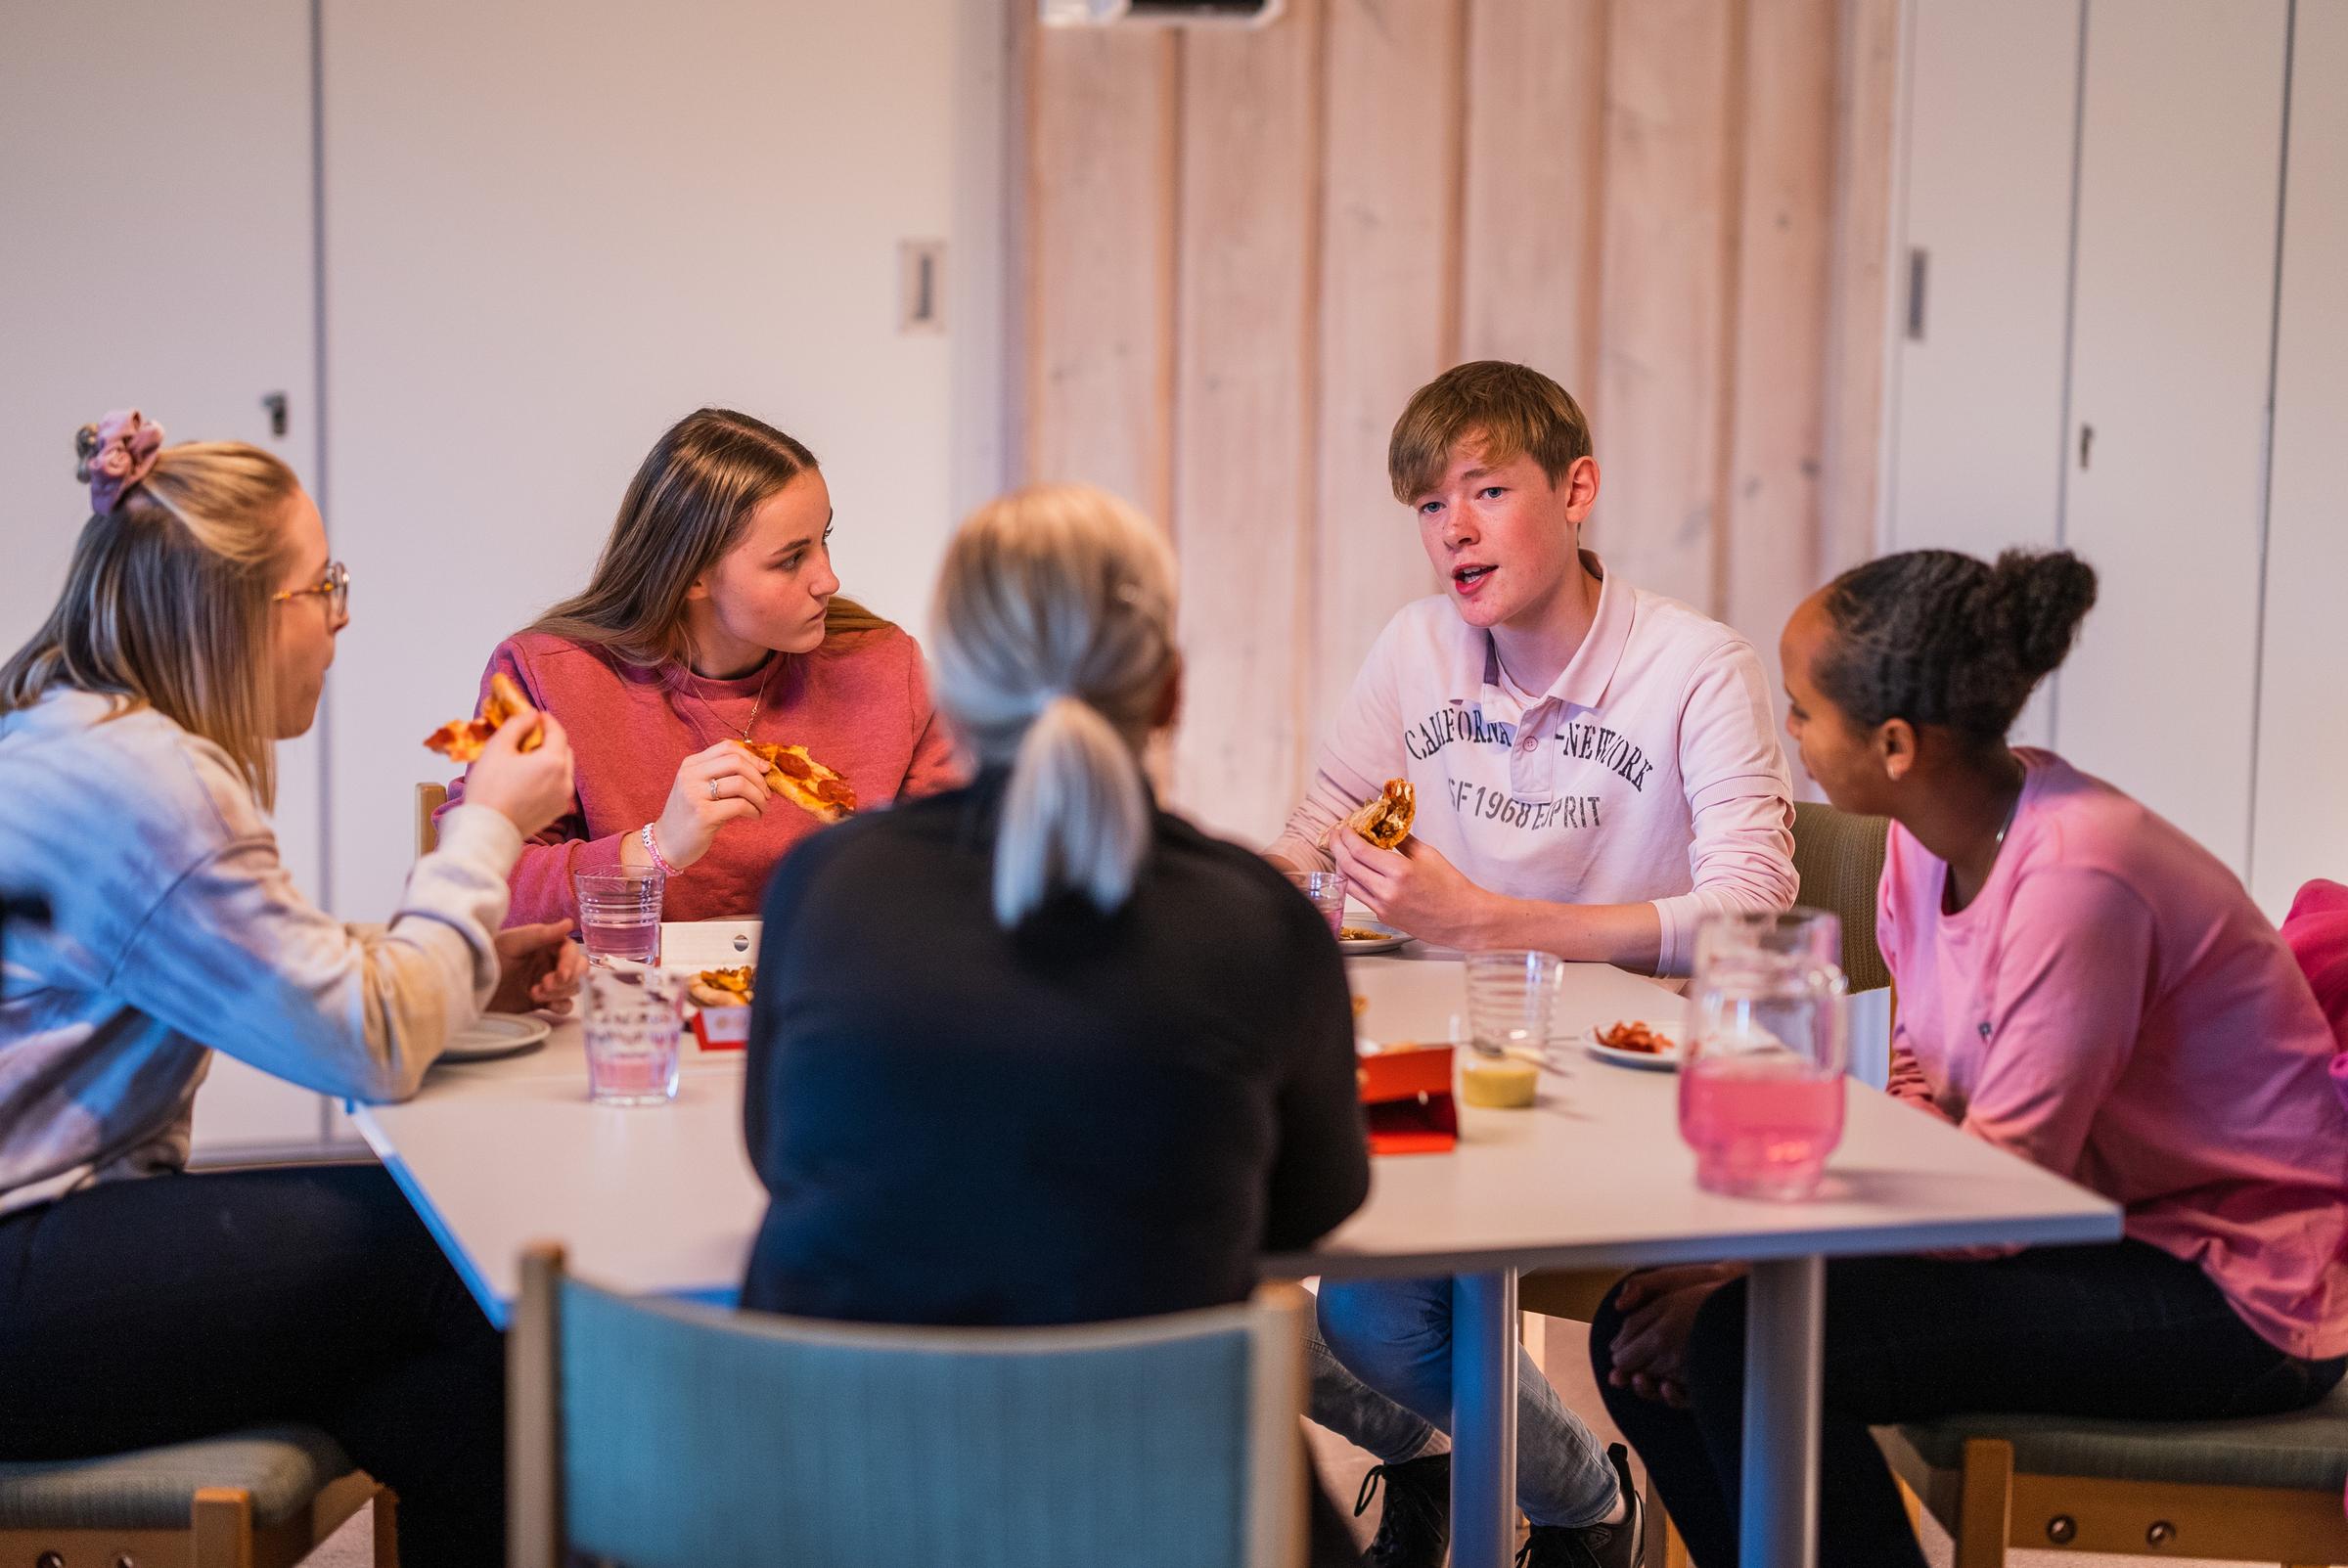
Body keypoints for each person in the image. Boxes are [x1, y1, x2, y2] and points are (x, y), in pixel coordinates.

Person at [1592, 548, 2348, 1568]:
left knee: (1740, 1340)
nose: (1791, 732)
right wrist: (1772, 1258)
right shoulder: (1924, 841)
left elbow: (2000, 1198)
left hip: (2235, 1290)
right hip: (2088, 1228)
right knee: (1635, 1324)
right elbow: (1922, 1072)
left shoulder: (2082, 879)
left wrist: (1779, 1263)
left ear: (1895, 743)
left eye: (1805, 710)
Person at [741, 482, 1372, 1560]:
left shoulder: (825, 884)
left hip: (834, 1501)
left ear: (951, 692)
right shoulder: (1261, 921)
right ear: (1170, 689)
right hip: (1160, 1507)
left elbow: (777, 1150)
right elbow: (1313, 1202)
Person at [0, 411, 586, 1567]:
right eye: (324, 587)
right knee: (452, 1258)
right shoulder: (147, 782)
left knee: (439, 1392)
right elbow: (367, 1042)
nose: (342, 616)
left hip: (49, 1240)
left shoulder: (83, 735)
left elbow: (274, 972)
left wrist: (464, 973)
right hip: (21, 1270)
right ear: (234, 613)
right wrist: (483, 830)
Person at [1269, 361, 1798, 1567]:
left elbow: (1755, 906)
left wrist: (1488, 923)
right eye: (1427, 504)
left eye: (1487, 490)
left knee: (1379, 1296)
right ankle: (1586, 1505)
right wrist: (1256, 887)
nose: (1452, 529)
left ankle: (1563, 1510)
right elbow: (1319, 828)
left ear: (1578, 489)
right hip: (1450, 1066)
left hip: (1636, 1084)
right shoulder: (1416, 645)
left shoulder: (1697, 664)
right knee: (1357, 1308)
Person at [441, 407, 962, 922]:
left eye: (823, 539)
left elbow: (965, 864)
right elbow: (481, 881)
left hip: (829, 976)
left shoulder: (887, 665)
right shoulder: (545, 674)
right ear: (692, 576)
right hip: (626, 980)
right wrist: (656, 847)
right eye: (790, 559)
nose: (828, 580)